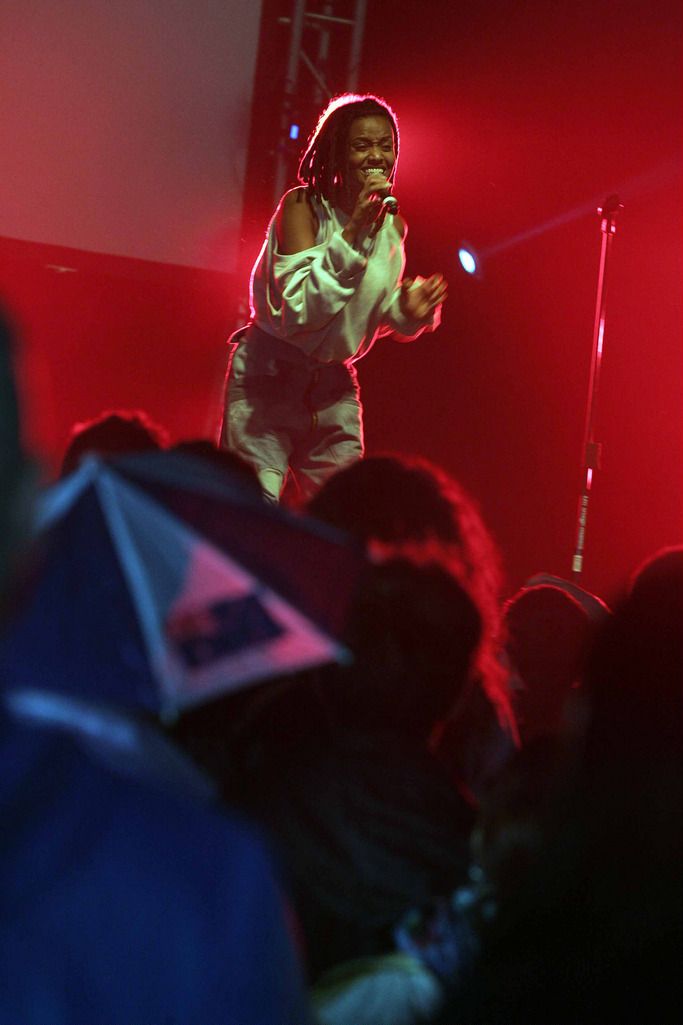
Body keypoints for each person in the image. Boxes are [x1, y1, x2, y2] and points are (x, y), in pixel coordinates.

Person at [219, 93, 447, 502]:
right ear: (339, 154)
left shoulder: (393, 227)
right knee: (253, 516)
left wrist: (405, 314)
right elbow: (299, 311)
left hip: (333, 389)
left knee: (349, 519)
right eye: (362, 145)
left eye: (385, 145)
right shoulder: (302, 206)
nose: (376, 155)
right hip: (268, 377)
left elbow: (366, 309)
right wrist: (354, 233)